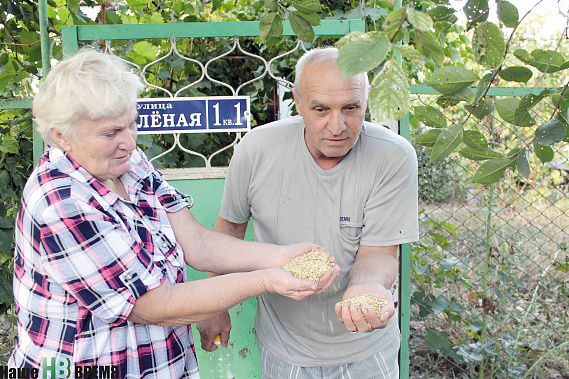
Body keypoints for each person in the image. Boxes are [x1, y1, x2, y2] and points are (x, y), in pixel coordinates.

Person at [8, 48, 338, 378]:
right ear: (61, 135)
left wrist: (280, 256)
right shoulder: (62, 203)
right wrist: (267, 279)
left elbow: (196, 242)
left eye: (131, 125)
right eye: (110, 133)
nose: (128, 141)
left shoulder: (124, 161)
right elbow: (157, 305)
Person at [197, 47, 419, 378]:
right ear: (298, 102)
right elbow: (228, 231)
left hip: (367, 348)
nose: (337, 126)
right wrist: (213, 303)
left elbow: (380, 253)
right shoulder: (257, 149)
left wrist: (368, 287)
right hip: (284, 349)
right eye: (320, 109)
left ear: (366, 103)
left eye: (351, 108)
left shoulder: (393, 156)